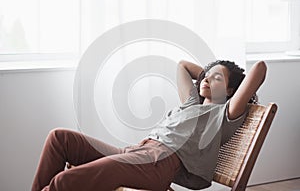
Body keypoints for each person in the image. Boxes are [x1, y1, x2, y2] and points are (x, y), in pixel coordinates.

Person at [31, 59, 267, 191]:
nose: (206, 78)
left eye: (218, 79)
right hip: (137, 152)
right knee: (59, 138)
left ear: (230, 91)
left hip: (159, 163)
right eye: (205, 75)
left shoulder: (225, 113)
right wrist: (213, 71)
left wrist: (225, 79)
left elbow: (260, 69)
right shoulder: (191, 103)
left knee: (65, 182)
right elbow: (182, 65)